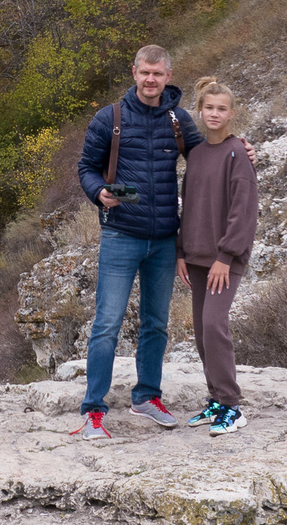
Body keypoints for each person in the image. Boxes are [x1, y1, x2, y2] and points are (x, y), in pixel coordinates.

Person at [72, 44, 202, 440]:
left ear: (168, 76)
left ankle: (147, 397)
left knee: (156, 324)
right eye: (145, 72)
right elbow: (86, 167)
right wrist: (99, 192)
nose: (150, 79)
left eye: (158, 74)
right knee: (107, 324)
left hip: (163, 239)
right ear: (134, 72)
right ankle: (94, 410)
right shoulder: (109, 118)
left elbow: (206, 159)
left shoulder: (178, 120)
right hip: (120, 234)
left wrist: (237, 147)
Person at [176, 77, 257, 435]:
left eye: (221, 109)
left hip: (225, 259)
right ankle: (215, 400)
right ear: (200, 110)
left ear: (232, 113)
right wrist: (181, 251)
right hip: (195, 256)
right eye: (209, 107)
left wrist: (226, 256)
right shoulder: (195, 154)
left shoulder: (238, 153)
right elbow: (188, 206)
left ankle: (232, 406)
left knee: (214, 325)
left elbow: (244, 210)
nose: (214, 113)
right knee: (201, 332)